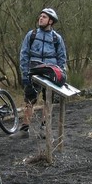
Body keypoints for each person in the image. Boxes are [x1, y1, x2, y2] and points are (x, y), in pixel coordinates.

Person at [13, 8, 67, 138]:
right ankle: (24, 130)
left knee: (48, 101)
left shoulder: (56, 38)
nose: (40, 18)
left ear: (51, 21)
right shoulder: (31, 35)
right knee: (29, 100)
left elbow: (62, 57)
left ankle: (44, 128)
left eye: (44, 17)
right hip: (34, 71)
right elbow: (24, 55)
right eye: (40, 16)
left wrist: (61, 74)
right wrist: (25, 74)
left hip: (51, 73)